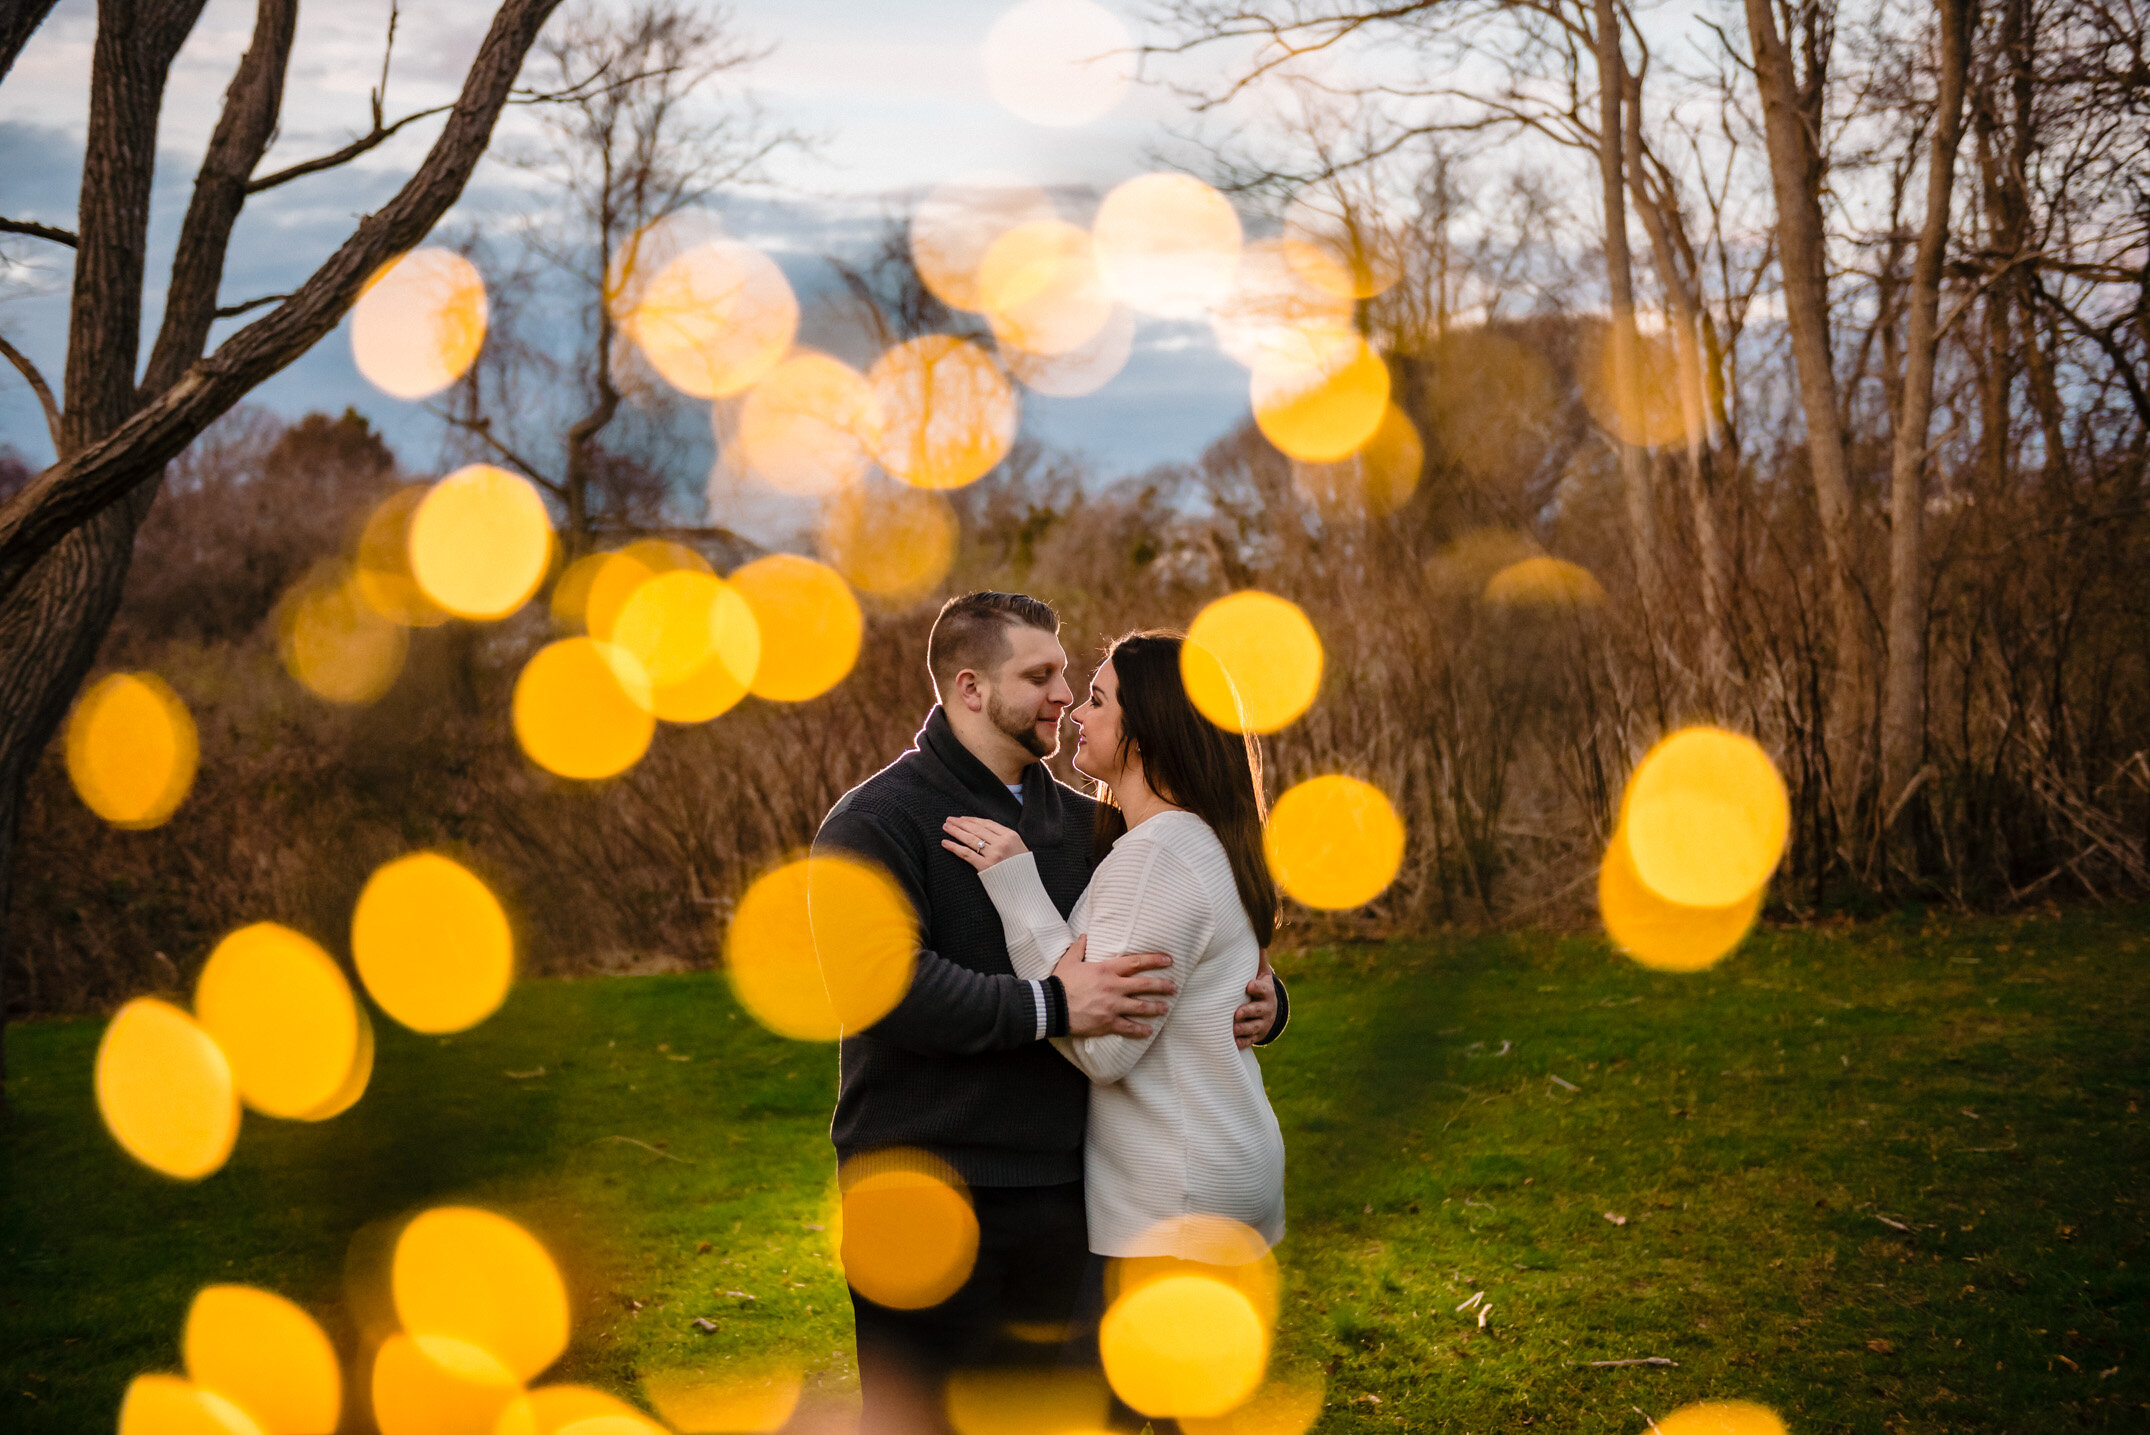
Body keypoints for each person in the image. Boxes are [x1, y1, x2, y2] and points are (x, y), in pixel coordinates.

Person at [812, 594, 1288, 1431]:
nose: (1064, 694)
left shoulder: (1087, 824)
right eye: (1042, 676)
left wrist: (1260, 993)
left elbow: (1174, 928)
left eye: (1073, 677)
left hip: (1065, 1199)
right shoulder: (876, 821)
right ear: (969, 687)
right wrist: (1050, 1004)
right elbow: (886, 987)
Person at [941, 630, 1287, 1302]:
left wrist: (1018, 888)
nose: (1076, 711)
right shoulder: (1198, 837)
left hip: (1176, 1213)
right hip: (1210, 1186)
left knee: (1103, 1405)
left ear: (1146, 730)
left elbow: (1104, 1047)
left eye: (1097, 699)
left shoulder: (1158, 853)